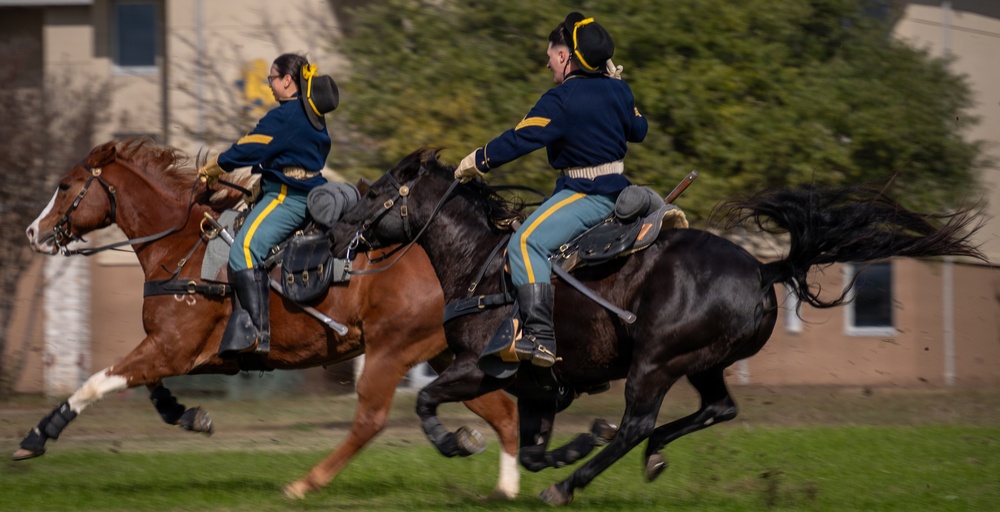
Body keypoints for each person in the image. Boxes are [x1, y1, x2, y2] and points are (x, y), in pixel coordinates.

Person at [453, 12, 648, 367]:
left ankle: (540, 336)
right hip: (619, 191)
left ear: (564, 56)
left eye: (550, 54)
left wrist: (478, 160)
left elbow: (520, 138)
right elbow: (640, 130)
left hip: (586, 195)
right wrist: (618, 88)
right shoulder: (619, 90)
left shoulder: (562, 98)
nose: (547, 63)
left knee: (525, 243)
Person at [197, 53, 339, 358]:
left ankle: (257, 334)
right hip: (299, 188)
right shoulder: (307, 111)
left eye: (271, 79)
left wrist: (216, 166)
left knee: (243, 250)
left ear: (287, 80)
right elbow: (288, 154)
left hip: (289, 198)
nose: (270, 86)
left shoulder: (286, 114)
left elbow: (249, 146)